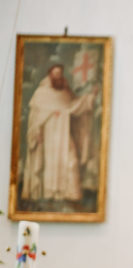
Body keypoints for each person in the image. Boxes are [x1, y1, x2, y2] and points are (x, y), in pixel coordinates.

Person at [22, 64, 97, 204]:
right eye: (55, 73)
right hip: (49, 136)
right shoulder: (41, 93)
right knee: (50, 164)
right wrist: (37, 132)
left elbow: (75, 106)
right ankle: (50, 194)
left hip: (63, 134)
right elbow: (35, 117)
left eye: (60, 73)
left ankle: (70, 193)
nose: (58, 76)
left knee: (71, 161)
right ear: (50, 75)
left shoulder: (65, 94)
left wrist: (90, 97)